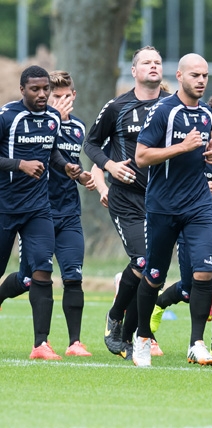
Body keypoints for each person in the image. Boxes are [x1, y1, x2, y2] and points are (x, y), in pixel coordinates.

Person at [149, 92, 212, 360]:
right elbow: (181, 178)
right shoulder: (197, 153)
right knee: (189, 288)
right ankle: (158, 304)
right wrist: (203, 187)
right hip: (193, 225)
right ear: (211, 121)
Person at [133, 53, 212, 367]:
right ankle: (142, 337)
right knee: (154, 275)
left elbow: (200, 152)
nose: (201, 81)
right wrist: (182, 147)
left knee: (204, 270)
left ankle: (197, 343)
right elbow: (142, 157)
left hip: (198, 204)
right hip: (163, 206)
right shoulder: (163, 111)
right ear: (180, 76)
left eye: (205, 75)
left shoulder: (207, 114)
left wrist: (207, 155)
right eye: (195, 75)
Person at [83, 46, 169, 359]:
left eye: (158, 62)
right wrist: (110, 166)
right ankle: (115, 316)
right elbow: (91, 144)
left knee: (154, 271)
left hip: (162, 199)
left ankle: (133, 334)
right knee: (143, 261)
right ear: (134, 71)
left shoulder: (172, 107)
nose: (153, 66)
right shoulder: (118, 106)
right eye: (146, 62)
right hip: (127, 197)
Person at [0, 65, 81, 359]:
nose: (42, 94)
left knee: (42, 271)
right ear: (22, 90)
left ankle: (41, 345)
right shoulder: (8, 116)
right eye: (35, 89)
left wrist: (65, 166)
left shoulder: (51, 119)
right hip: (5, 207)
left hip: (38, 209)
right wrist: (20, 164)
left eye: (45, 88)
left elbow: (52, 152)